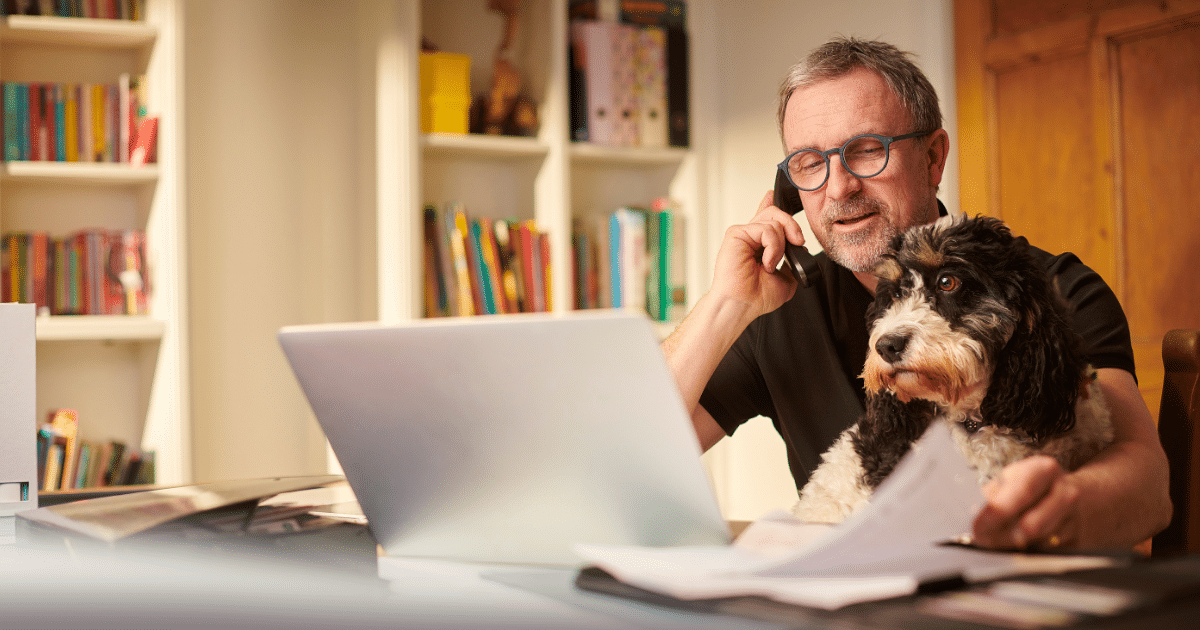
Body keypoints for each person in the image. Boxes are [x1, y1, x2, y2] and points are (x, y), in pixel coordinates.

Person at [662, 37, 1171, 551]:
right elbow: (620, 454)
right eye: (810, 163)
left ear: (932, 158)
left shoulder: (1050, 290)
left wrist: (1048, 511)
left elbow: (1147, 487)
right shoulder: (778, 306)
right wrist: (725, 304)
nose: (838, 189)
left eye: (866, 150)